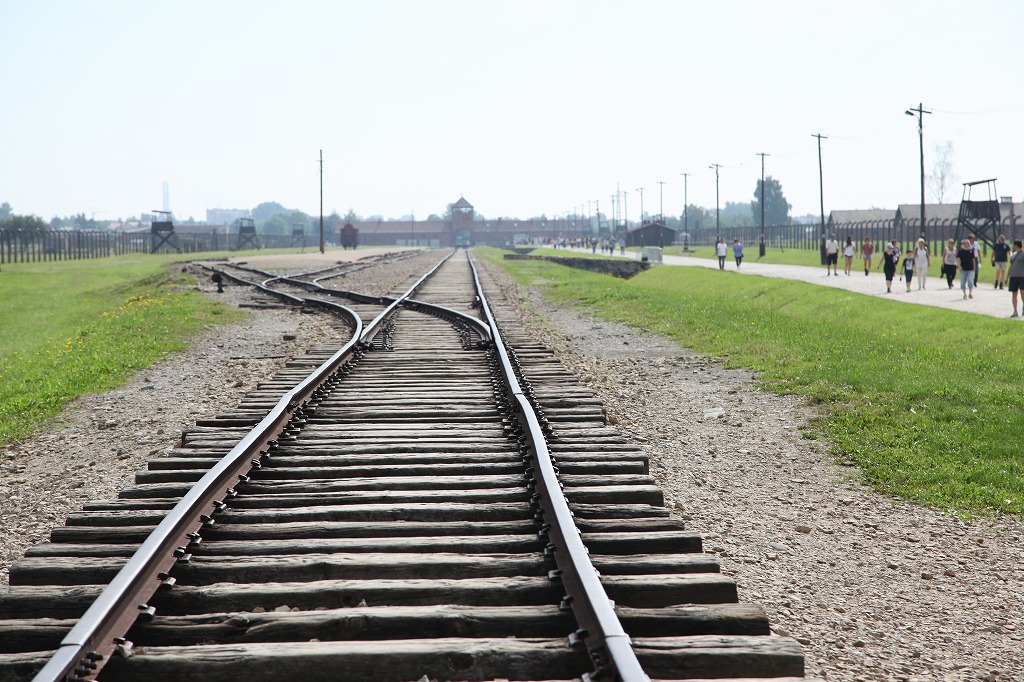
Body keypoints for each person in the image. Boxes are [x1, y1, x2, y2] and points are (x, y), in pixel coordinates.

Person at [1009, 240, 1024, 318]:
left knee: (1022, 293)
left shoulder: (1023, 254)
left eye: (1014, 245)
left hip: (1022, 276)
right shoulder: (1013, 255)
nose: (1013, 247)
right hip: (1013, 276)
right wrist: (1007, 277)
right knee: (1014, 294)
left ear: (1016, 245)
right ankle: (1015, 311)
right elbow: (1011, 266)